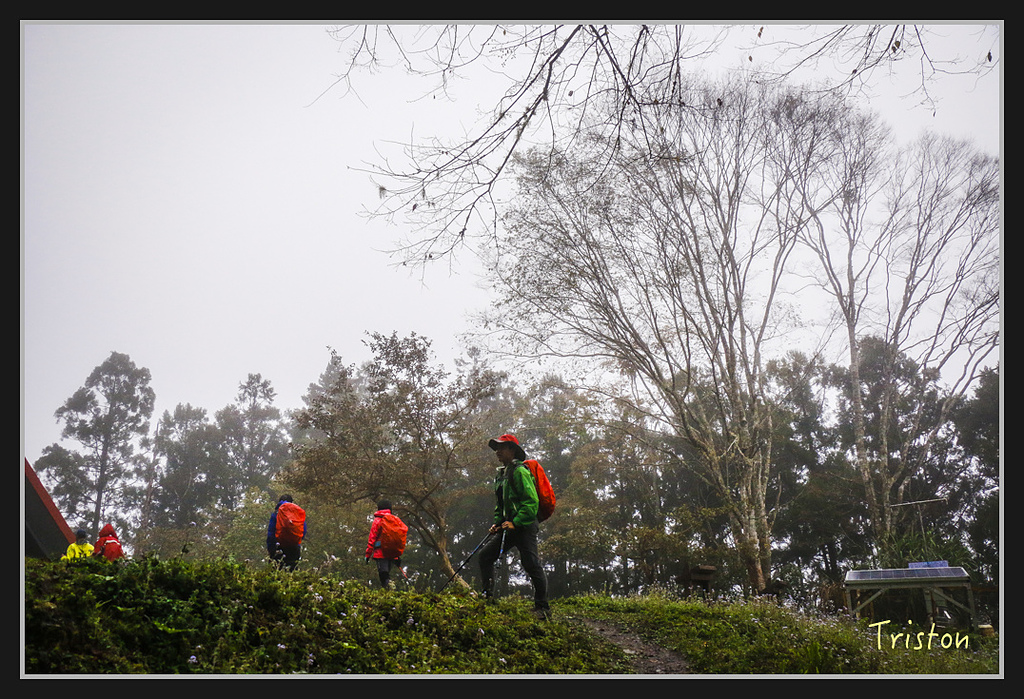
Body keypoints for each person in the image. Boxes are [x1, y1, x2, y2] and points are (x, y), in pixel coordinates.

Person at [478, 434, 550, 619]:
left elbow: (531, 502)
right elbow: (500, 504)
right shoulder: (501, 474)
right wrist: (498, 523)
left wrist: (516, 523)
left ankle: (543, 608)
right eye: (496, 449)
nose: (497, 452)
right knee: (485, 556)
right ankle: (488, 597)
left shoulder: (520, 471)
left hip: (524, 526)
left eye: (501, 448)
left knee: (531, 564)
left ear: (512, 450)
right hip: (509, 526)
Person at [365, 499, 407, 588]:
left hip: (380, 553)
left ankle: (388, 591)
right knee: (387, 573)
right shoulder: (395, 520)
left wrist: (368, 554)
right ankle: (389, 590)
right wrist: (397, 555)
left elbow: (371, 539)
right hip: (392, 553)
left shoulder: (377, 520)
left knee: (383, 574)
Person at [267, 495, 306, 571]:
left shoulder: (277, 512)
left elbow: (271, 533)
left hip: (278, 547)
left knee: (275, 573)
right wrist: (296, 541)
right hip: (294, 547)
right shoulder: (297, 512)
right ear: (292, 502)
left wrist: (271, 549)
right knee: (292, 573)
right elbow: (303, 529)